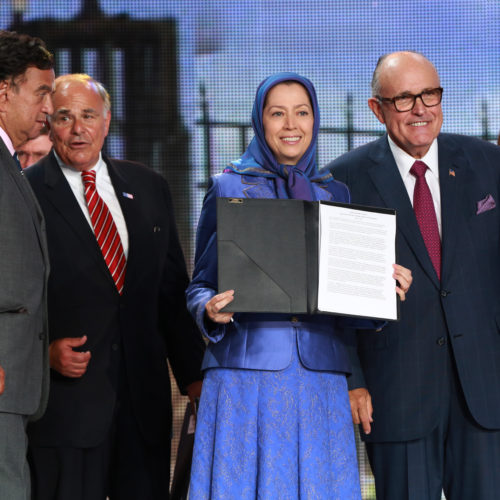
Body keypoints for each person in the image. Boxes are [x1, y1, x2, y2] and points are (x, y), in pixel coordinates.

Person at [186, 72, 412, 499]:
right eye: (278, 113)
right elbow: (198, 285)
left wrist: (381, 290)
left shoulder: (335, 194)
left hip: (320, 380)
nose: (291, 125)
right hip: (243, 378)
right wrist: (208, 309)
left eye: (302, 112)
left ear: (315, 120)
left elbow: (347, 300)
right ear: (260, 121)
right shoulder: (228, 186)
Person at [326, 51, 500, 500]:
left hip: (484, 390)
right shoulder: (342, 181)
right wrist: (353, 379)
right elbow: (333, 298)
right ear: (376, 108)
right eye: (404, 99)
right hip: (397, 393)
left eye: (430, 94)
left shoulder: (488, 163)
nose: (421, 108)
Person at [25, 74, 206, 500]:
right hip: (67, 410)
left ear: (107, 121)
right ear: (50, 125)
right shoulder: (25, 194)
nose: (77, 128)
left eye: (88, 115)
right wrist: (43, 353)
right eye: (65, 117)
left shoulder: (148, 187)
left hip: (142, 405)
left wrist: (196, 379)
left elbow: (170, 292)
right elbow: (14, 296)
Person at [0, 30, 54, 500]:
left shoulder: (9, 160)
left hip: (13, 387)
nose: (47, 108)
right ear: (4, 91)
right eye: (40, 92)